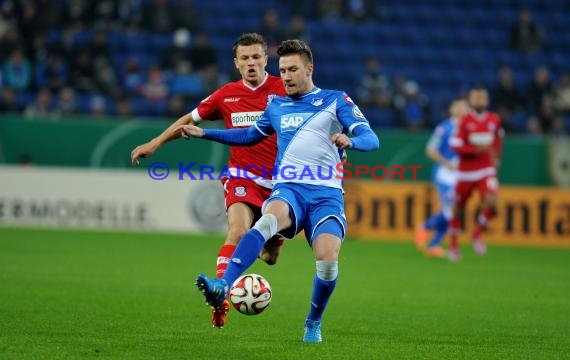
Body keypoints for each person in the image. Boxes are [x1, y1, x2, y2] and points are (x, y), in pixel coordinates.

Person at [179, 39, 380, 343]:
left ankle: (313, 323)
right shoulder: (276, 106)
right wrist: (205, 133)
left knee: (327, 262)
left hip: (326, 195)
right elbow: (248, 136)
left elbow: (371, 138)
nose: (285, 76)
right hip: (289, 189)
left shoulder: (335, 100)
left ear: (309, 69)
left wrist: (352, 141)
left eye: (292, 69)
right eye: (282, 70)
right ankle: (223, 284)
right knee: (266, 220)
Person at [130, 33, 287, 328]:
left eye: (256, 57)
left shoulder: (285, 89)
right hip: (243, 176)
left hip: (282, 183)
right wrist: (156, 142)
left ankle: (264, 248)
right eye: (245, 58)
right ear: (236, 63)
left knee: (271, 255)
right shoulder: (226, 95)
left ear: (267, 59)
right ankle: (220, 294)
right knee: (237, 231)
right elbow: (187, 120)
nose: (251, 63)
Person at [448, 88, 504, 261]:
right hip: (465, 172)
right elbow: (455, 144)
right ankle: (454, 246)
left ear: (486, 100)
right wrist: (474, 150)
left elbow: (498, 139)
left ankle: (477, 232)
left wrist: (496, 156)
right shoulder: (464, 121)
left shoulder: (494, 119)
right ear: (471, 101)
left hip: (486, 169)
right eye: (476, 98)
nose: (480, 100)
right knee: (458, 210)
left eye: (482, 97)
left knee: (493, 204)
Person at [415, 99, 469, 258]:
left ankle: (433, 243)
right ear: (452, 109)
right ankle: (425, 228)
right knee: (450, 212)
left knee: (453, 213)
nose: (461, 109)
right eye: (458, 105)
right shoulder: (444, 128)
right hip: (445, 175)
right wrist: (446, 163)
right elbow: (430, 150)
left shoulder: (469, 129)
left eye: (464, 106)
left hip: (461, 175)